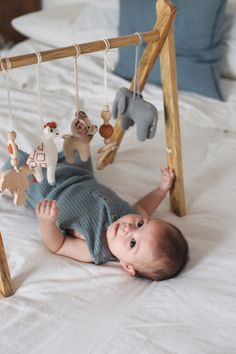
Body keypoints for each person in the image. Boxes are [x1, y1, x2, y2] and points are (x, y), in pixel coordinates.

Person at [3, 150, 189, 281]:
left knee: (18, 166)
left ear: (127, 267)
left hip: (49, 192)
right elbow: (145, 206)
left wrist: (47, 223)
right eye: (140, 224)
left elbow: (58, 245)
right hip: (79, 174)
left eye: (132, 243)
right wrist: (161, 189)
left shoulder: (94, 250)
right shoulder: (131, 215)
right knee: (78, 148)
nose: (128, 228)